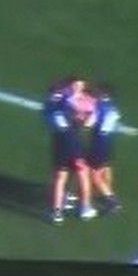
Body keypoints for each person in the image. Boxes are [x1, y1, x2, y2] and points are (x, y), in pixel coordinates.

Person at [43, 77, 96, 223]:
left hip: (59, 143)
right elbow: (85, 112)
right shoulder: (67, 102)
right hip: (73, 142)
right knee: (83, 173)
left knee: (60, 177)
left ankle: (57, 212)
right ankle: (85, 208)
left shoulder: (48, 107)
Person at [83, 83, 123, 214]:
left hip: (98, 143)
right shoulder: (113, 107)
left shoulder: (98, 107)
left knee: (95, 175)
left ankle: (112, 201)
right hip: (109, 142)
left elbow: (88, 124)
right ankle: (107, 192)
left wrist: (83, 119)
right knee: (106, 167)